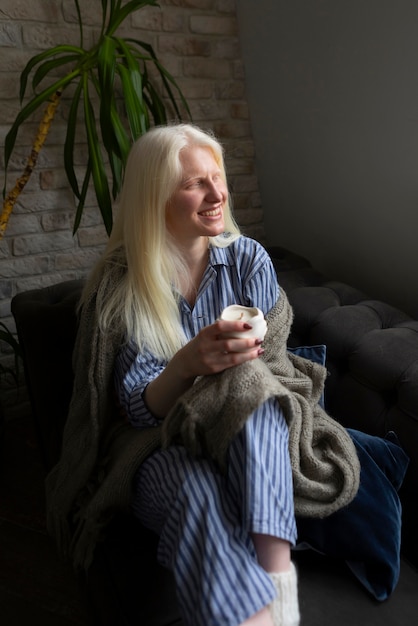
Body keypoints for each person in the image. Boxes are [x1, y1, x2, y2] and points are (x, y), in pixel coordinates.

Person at [44, 123, 407, 626]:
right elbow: (133, 410)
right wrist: (187, 365)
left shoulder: (247, 259)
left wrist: (230, 366)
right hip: (158, 441)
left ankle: (276, 580)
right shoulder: (121, 287)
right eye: (195, 183)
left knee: (248, 381)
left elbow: (273, 366)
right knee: (196, 491)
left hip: (246, 426)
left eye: (219, 177)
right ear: (156, 196)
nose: (217, 194)